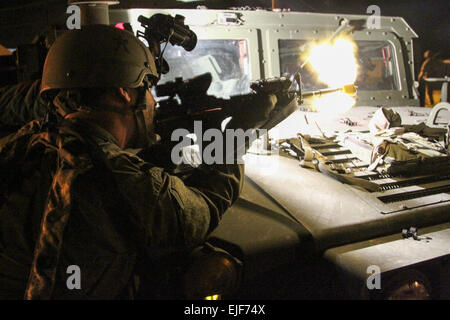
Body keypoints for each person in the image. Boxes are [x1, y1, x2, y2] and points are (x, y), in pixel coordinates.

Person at [0, 25, 276, 299]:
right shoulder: (131, 184)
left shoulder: (22, 145)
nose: (153, 101)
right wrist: (234, 138)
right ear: (124, 92)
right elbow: (203, 209)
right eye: (147, 87)